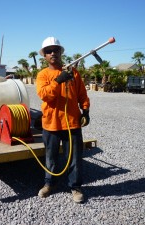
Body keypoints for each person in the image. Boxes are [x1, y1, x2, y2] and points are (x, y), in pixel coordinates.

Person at [36, 37, 90, 203]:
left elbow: (82, 94)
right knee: (51, 158)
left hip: (72, 122)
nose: (53, 53)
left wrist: (85, 110)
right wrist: (58, 80)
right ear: (44, 55)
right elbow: (45, 95)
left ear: (60, 53)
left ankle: (75, 187)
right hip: (51, 124)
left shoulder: (73, 73)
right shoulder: (43, 75)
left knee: (74, 158)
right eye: (48, 51)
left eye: (56, 50)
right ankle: (49, 184)